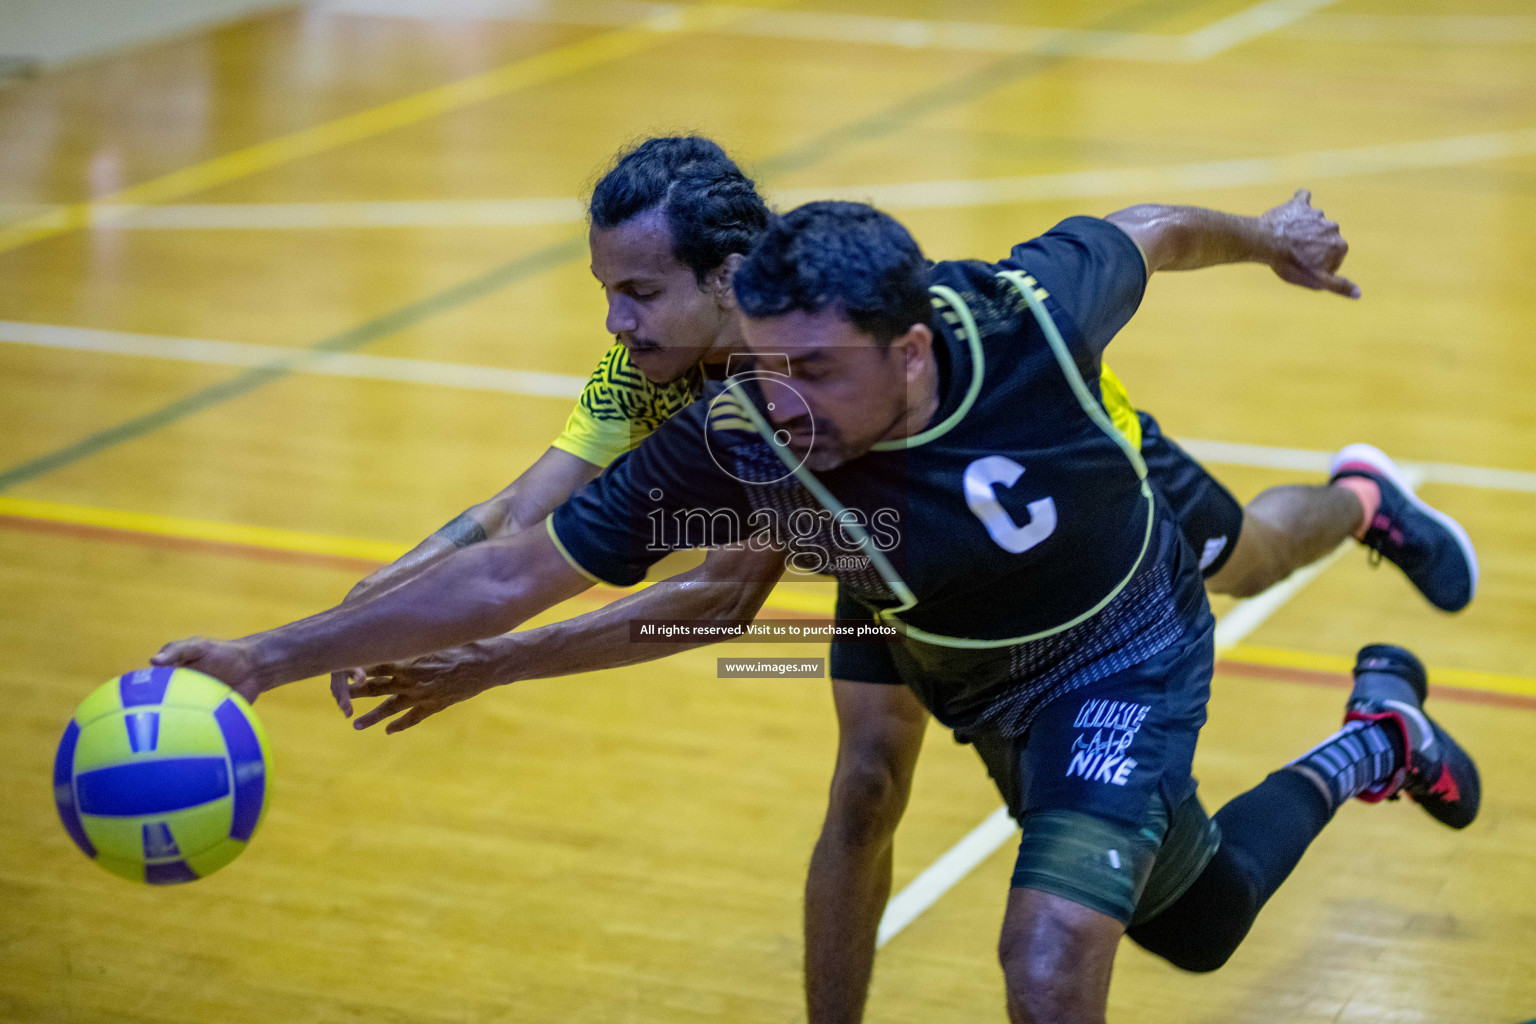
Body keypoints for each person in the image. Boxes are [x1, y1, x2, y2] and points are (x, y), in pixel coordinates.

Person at [154, 197, 1480, 1023]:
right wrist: (265, 658)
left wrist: (1276, 241)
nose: (782, 402)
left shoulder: (1028, 310)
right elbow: (525, 565)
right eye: (768, 368)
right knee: (1191, 922)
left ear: (910, 351)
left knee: (1054, 936)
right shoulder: (750, 427)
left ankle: (1360, 504)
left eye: (816, 373)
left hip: (1119, 625)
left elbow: (1153, 228)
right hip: (949, 634)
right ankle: (1378, 736)